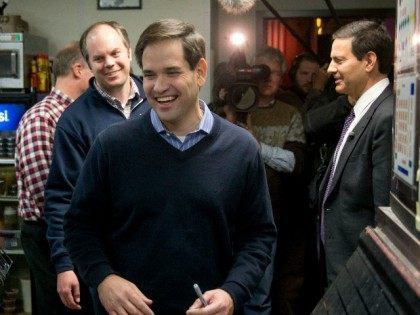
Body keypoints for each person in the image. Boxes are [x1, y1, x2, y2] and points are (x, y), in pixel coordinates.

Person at [63, 18, 276, 315]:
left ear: (199, 71)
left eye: (172, 72)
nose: (159, 87)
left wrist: (232, 292)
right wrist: (103, 279)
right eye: (149, 75)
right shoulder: (112, 146)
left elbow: (258, 236)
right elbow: (78, 226)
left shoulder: (240, 149)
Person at [44, 21, 150, 311]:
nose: (109, 63)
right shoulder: (73, 122)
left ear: (129, 52)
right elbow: (61, 198)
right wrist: (64, 263)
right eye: (98, 58)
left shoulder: (160, 101)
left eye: (115, 53)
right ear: (87, 64)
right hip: (108, 260)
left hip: (162, 251)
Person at [15, 41, 93, 314]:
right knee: (59, 307)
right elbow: (46, 192)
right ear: (78, 69)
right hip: (49, 233)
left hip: (72, 230)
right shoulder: (42, 117)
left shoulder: (79, 114)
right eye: (94, 67)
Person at [319, 20, 393, 284]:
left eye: (339, 60)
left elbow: (383, 214)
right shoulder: (359, 111)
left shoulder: (386, 116)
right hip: (342, 266)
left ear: (369, 61)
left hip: (360, 272)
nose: (330, 69)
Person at [249, 46, 306, 315]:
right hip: (233, 210)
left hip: (273, 211)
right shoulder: (235, 106)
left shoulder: (290, 111)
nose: (267, 78)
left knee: (262, 290)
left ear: (282, 75)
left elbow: (294, 163)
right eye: (261, 71)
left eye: (274, 73)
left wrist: (256, 147)